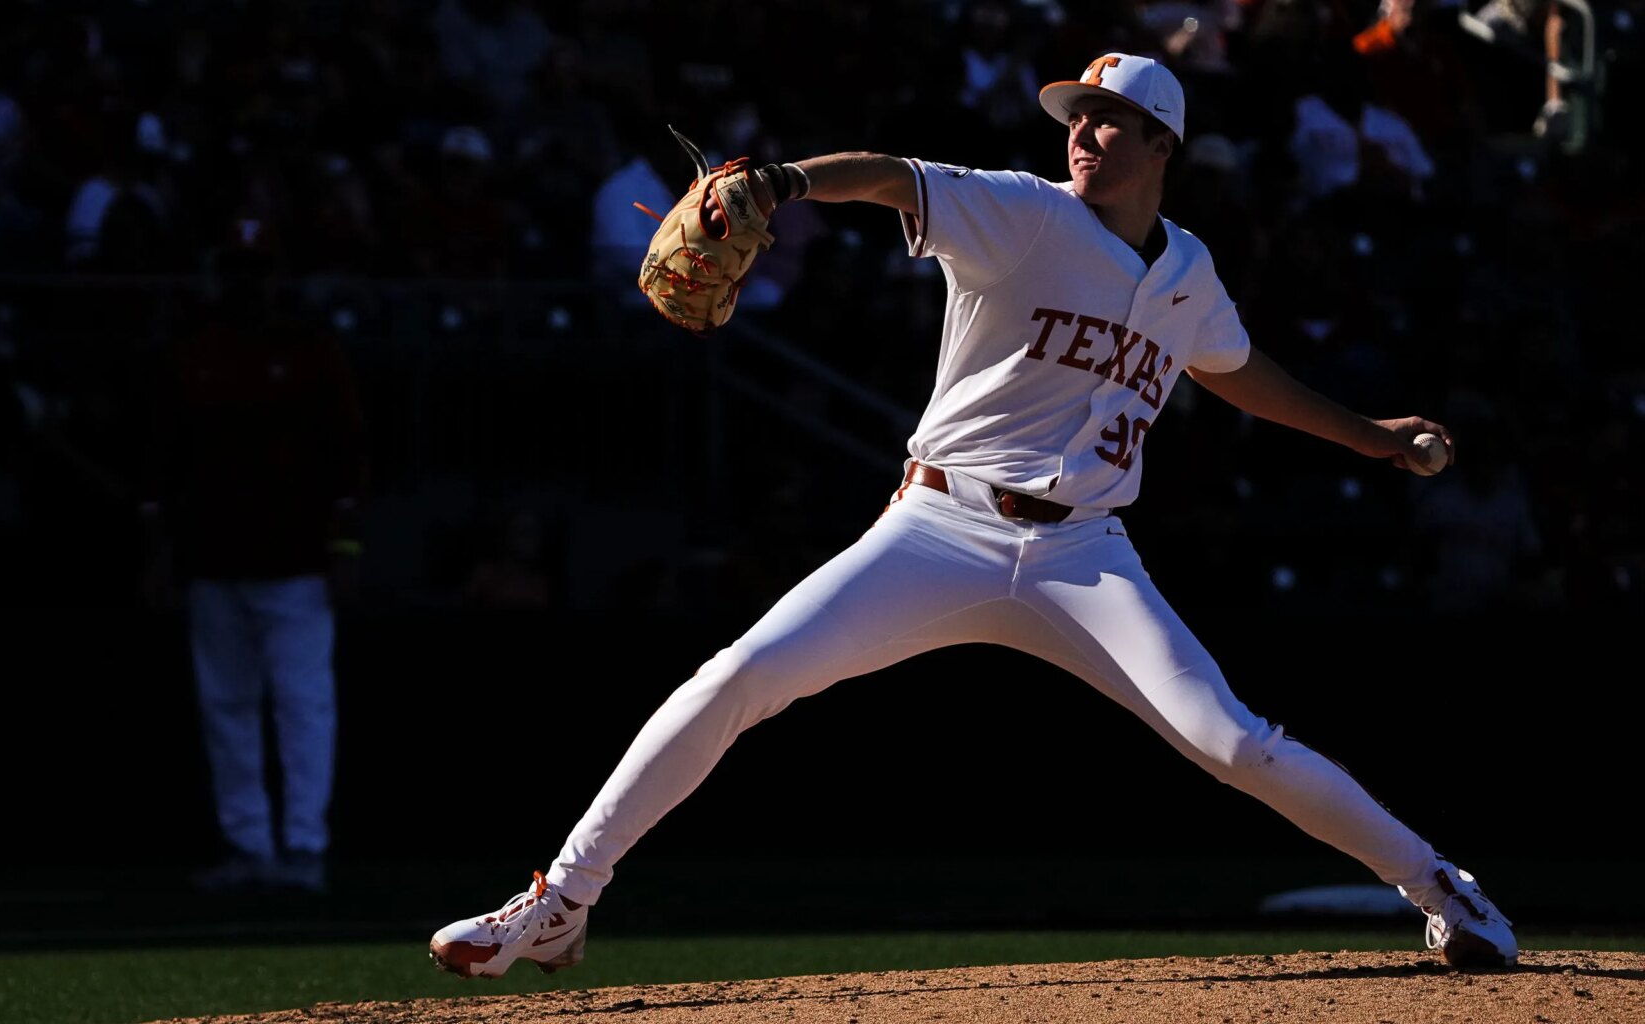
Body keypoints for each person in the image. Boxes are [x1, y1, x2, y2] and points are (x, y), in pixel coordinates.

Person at [429, 53, 1516, 977]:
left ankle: (1443, 887)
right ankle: (560, 903)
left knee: (1231, 741)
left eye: (1110, 121)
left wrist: (1372, 435)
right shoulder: (1026, 211)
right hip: (940, 528)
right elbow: (898, 178)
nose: (1084, 132)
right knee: (741, 675)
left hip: (1085, 553)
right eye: (1076, 117)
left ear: (1162, 144)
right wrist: (784, 180)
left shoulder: (1187, 270)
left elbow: (1238, 372)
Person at [142, 218, 366, 894]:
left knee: (302, 705)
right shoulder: (195, 351)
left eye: (257, 270)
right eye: (235, 269)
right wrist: (157, 552)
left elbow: (348, 454)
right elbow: (165, 461)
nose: (246, 283)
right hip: (214, 559)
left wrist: (345, 547)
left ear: (274, 277)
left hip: (296, 560)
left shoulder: (309, 350)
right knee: (227, 705)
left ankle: (302, 849)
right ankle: (247, 847)